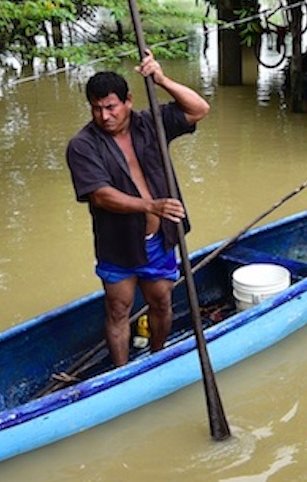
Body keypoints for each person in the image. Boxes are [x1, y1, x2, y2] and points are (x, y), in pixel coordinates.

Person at [65, 52, 211, 366]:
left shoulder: (150, 123)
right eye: (96, 108)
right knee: (118, 310)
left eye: (111, 107)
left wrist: (161, 79)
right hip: (117, 244)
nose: (104, 116)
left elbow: (199, 109)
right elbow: (101, 196)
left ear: (128, 101)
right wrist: (151, 205)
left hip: (159, 241)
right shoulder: (83, 145)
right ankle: (120, 373)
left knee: (161, 303)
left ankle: (157, 358)